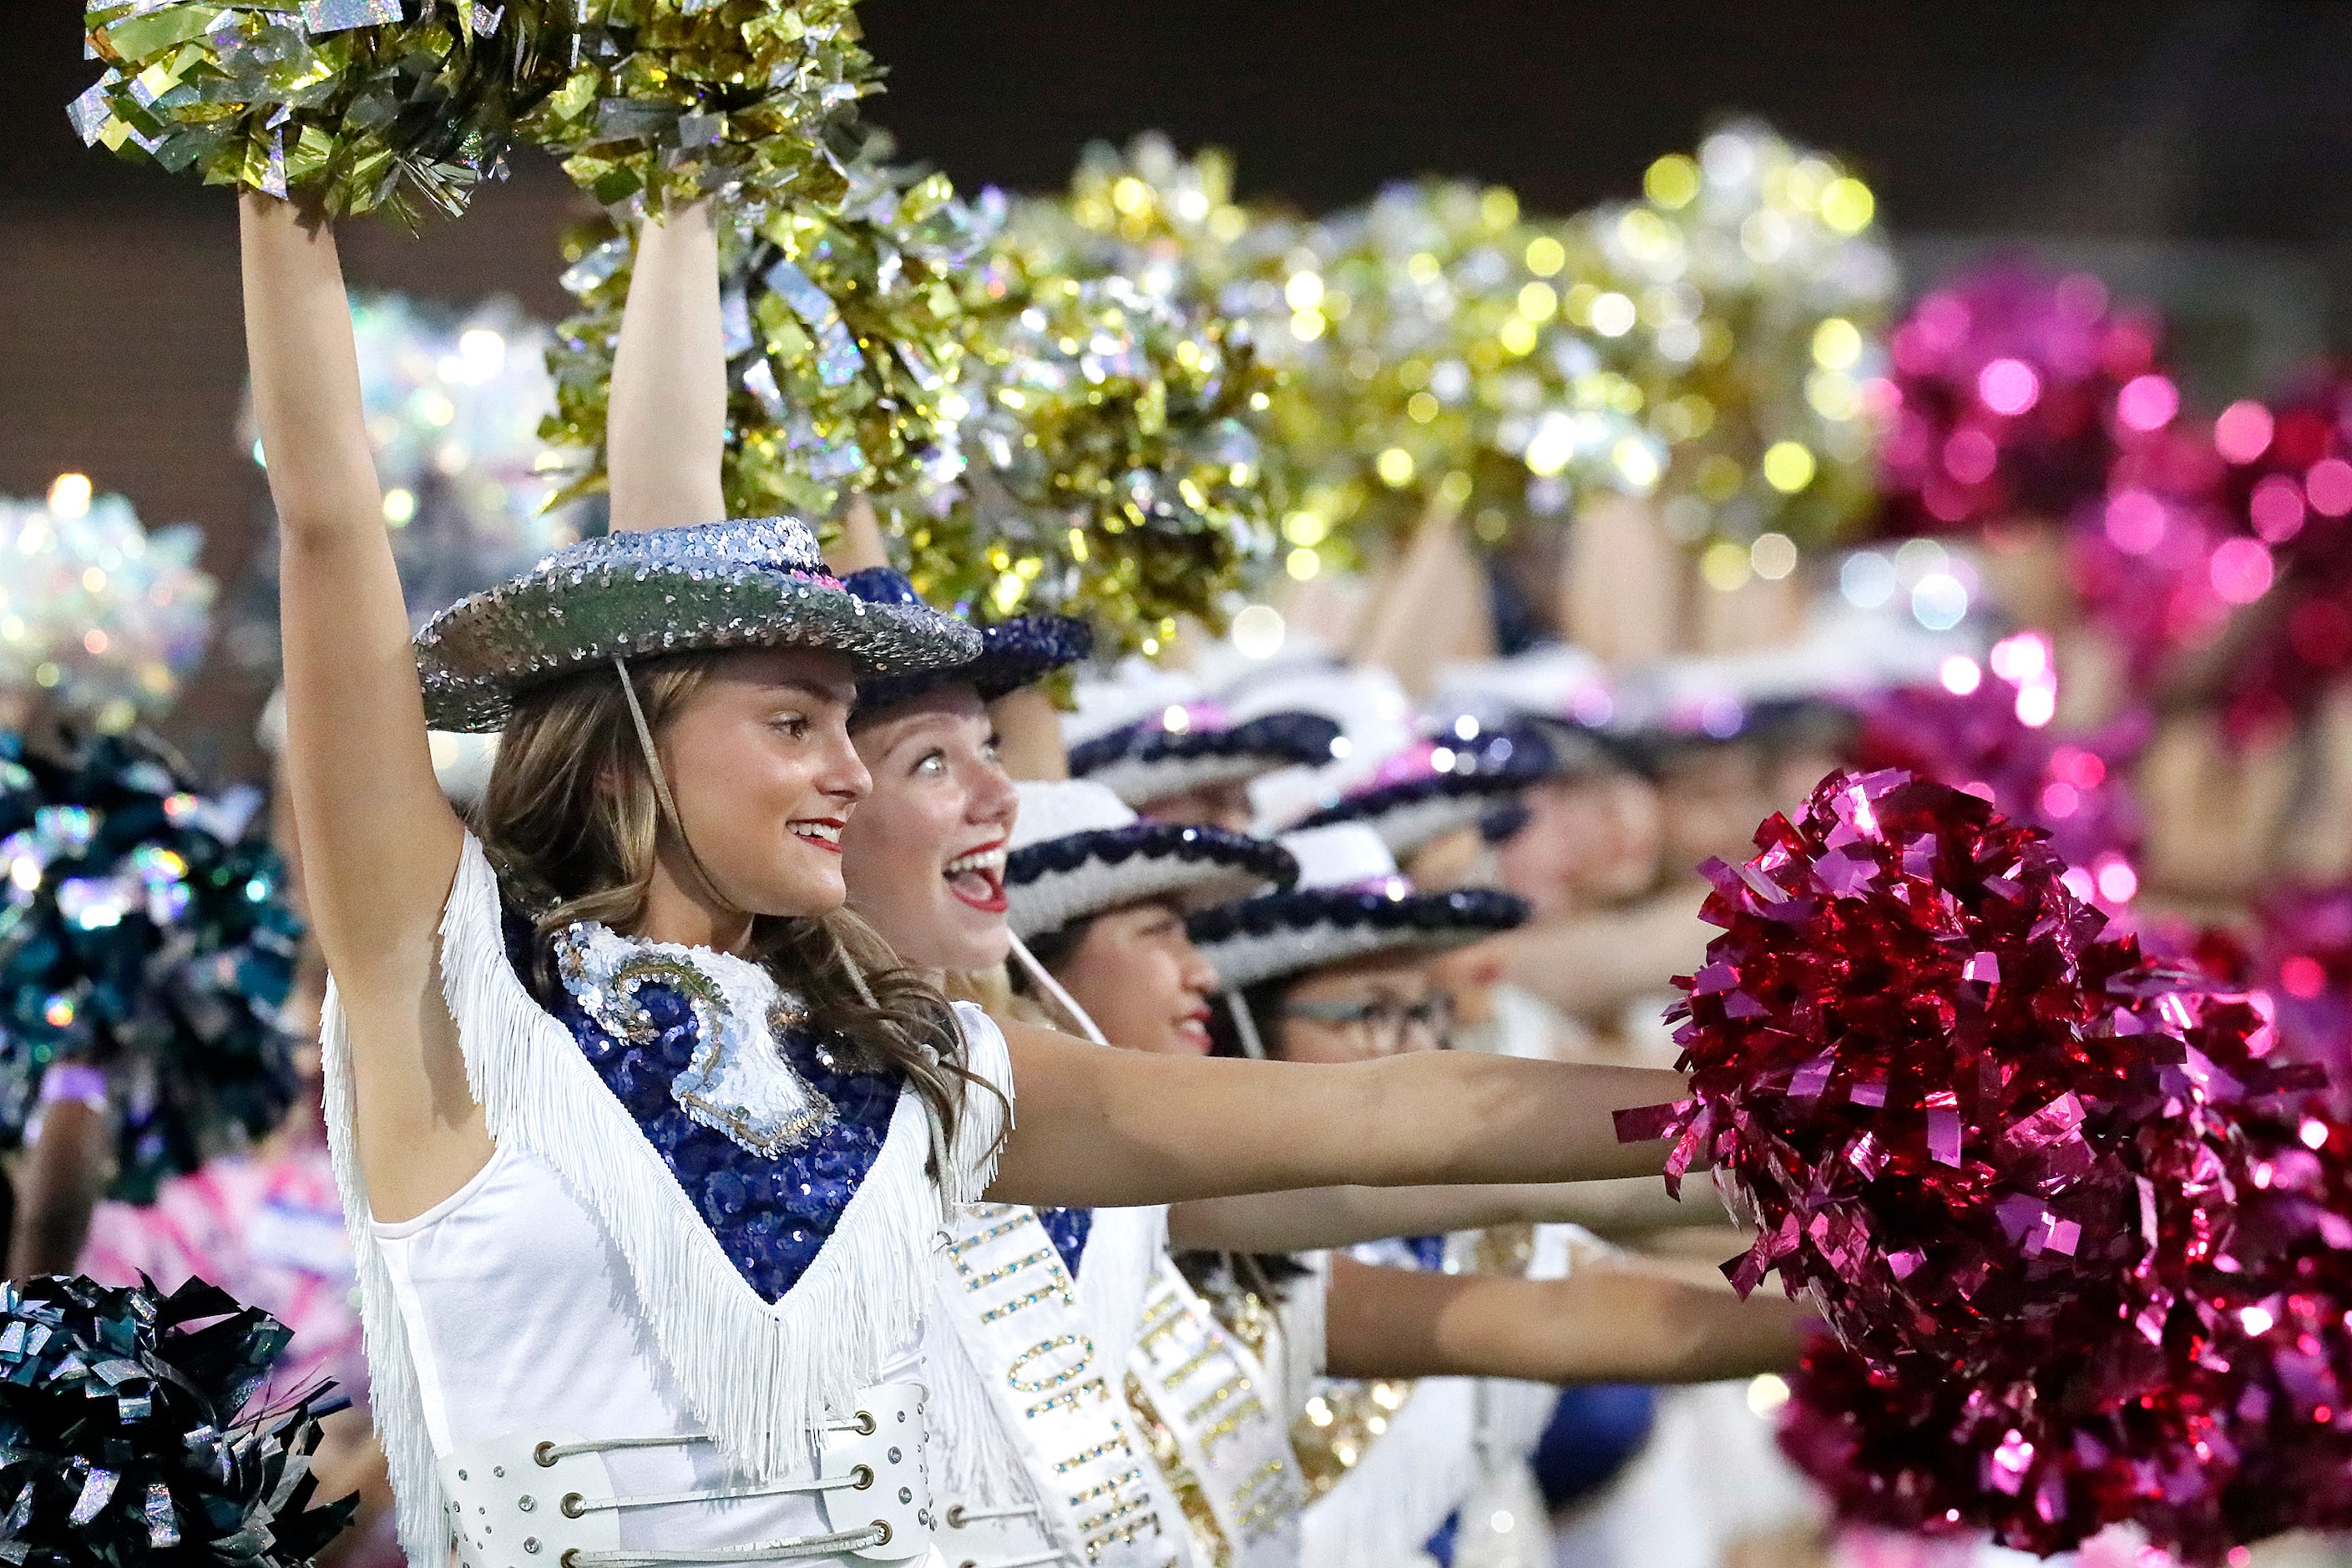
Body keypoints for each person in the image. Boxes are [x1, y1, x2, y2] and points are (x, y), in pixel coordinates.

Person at [249, 185, 1702, 1568]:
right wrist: (277, 162)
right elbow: (329, 526)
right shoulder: (457, 993)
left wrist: (1762, 1103)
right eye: (794, 724)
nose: (849, 769)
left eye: (849, 726)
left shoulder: (912, 1064)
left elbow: (1384, 1113)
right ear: (629, 743)